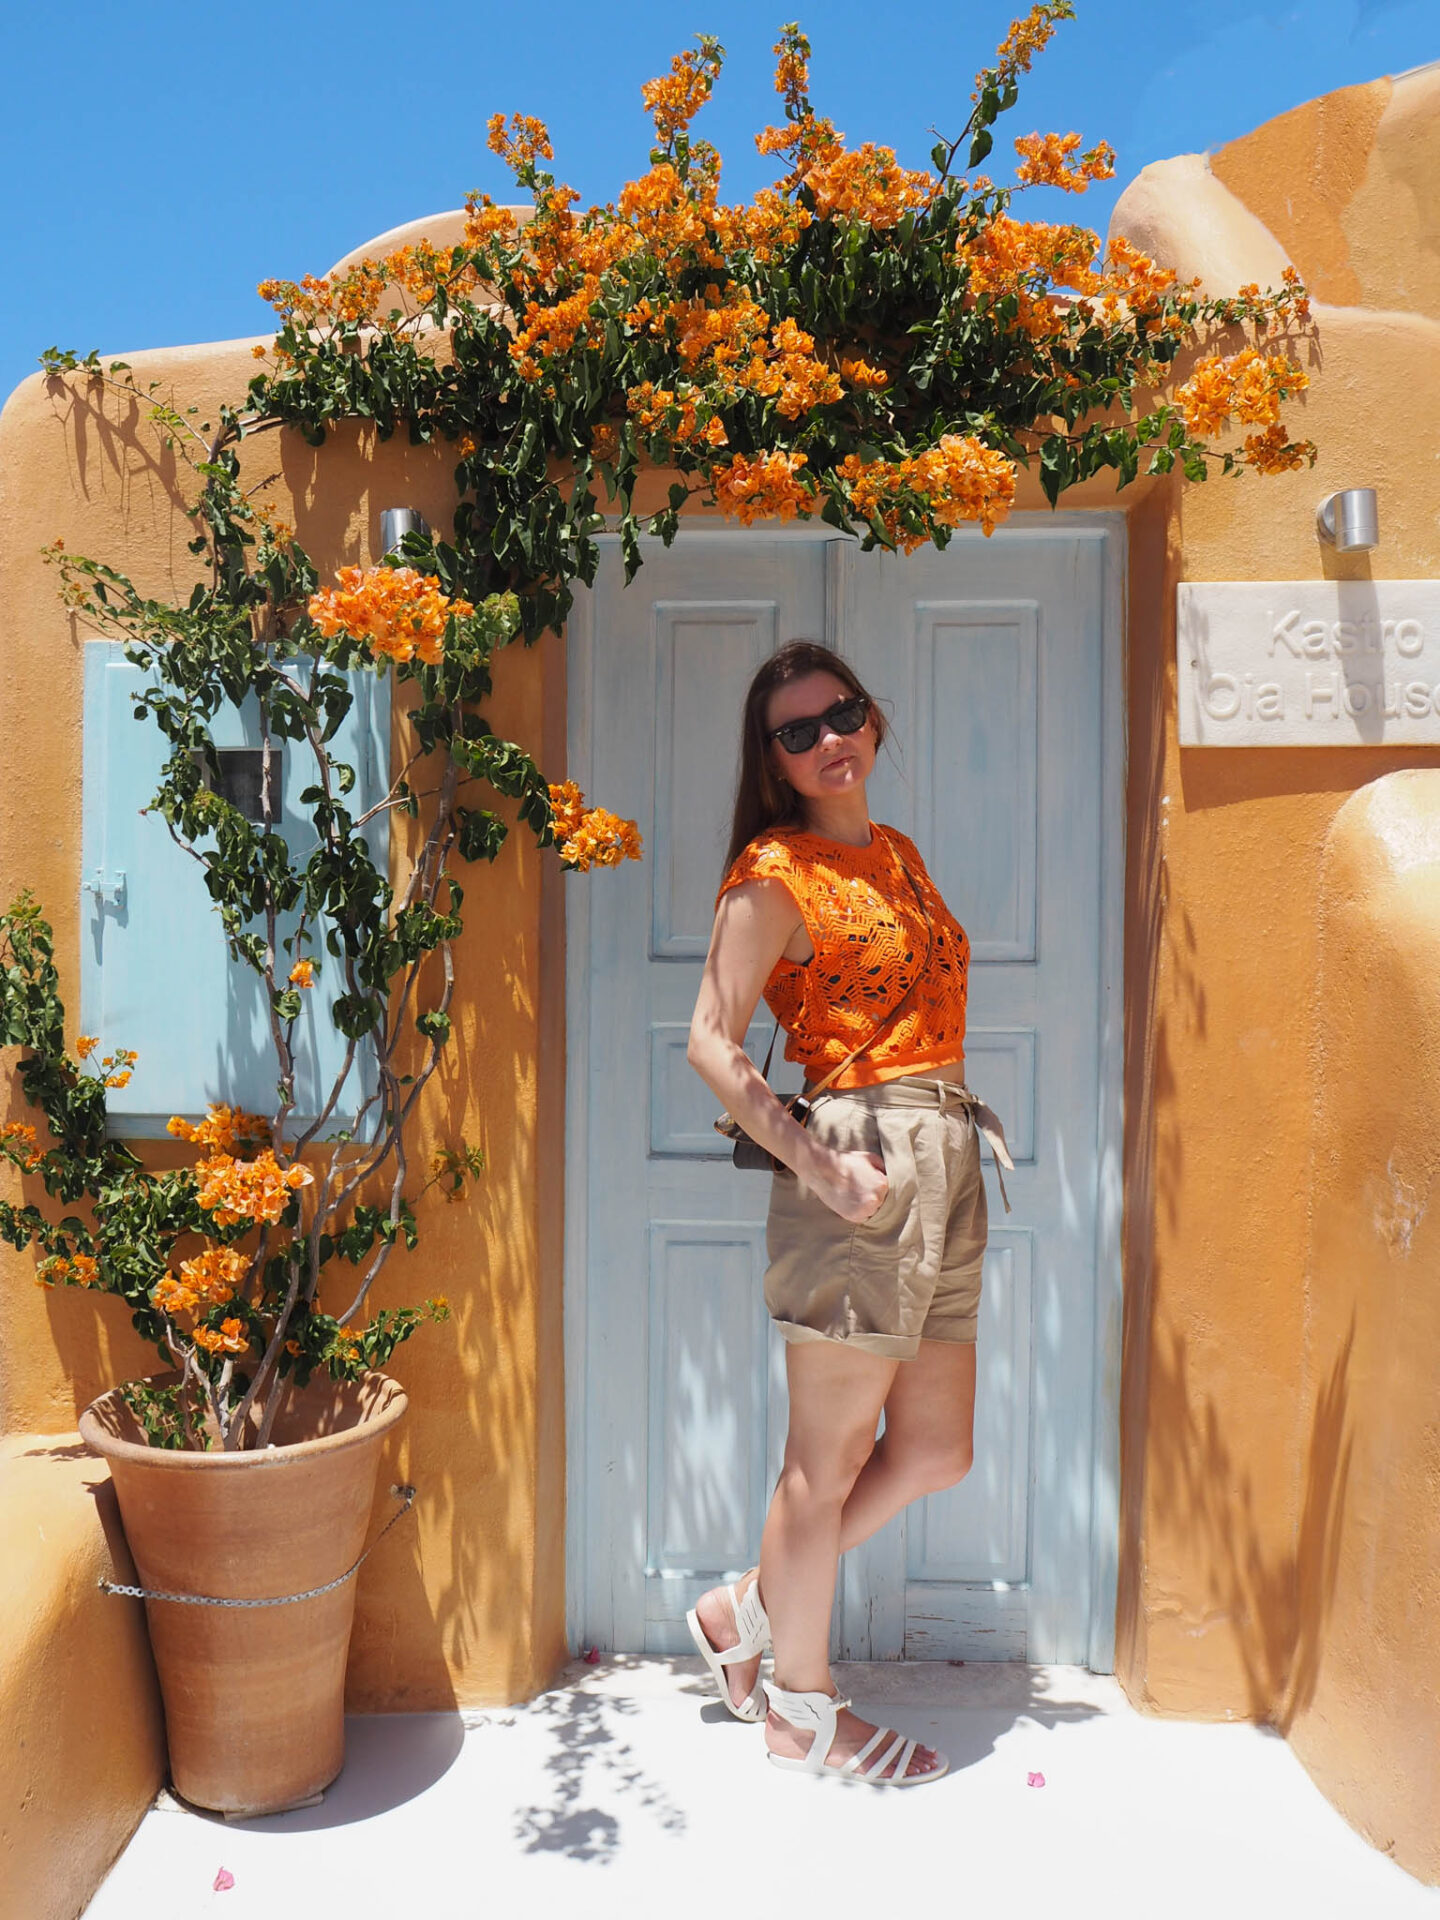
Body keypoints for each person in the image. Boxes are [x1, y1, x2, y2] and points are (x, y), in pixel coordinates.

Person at [684, 639, 1012, 1787]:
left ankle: (746, 1605)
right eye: (798, 731)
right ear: (770, 759)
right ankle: (799, 1712)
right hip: (861, 1155)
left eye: (845, 715)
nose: (831, 740)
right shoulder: (775, 871)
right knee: (825, 1465)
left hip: (950, 1147)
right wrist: (816, 1165)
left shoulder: (898, 854)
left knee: (935, 1450)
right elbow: (710, 1044)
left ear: (872, 721)